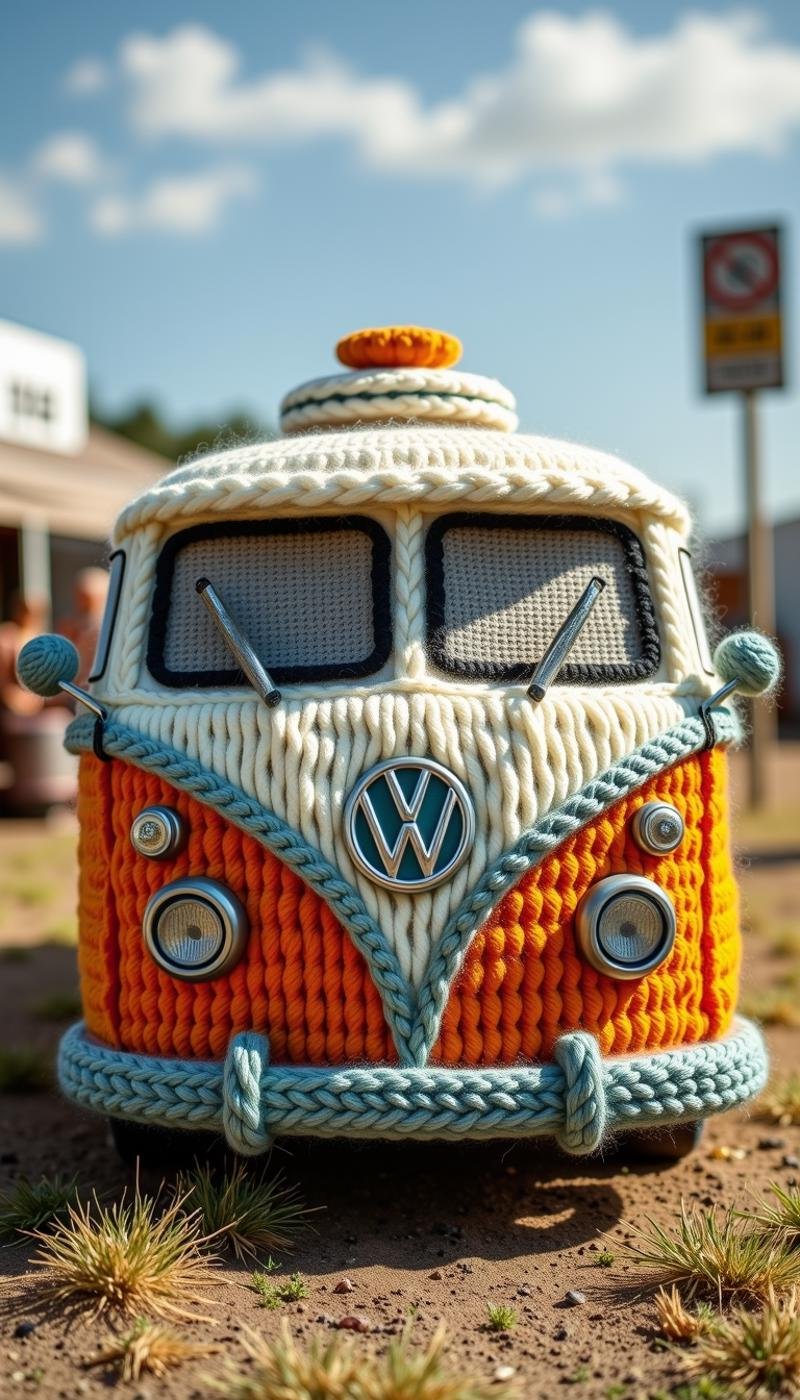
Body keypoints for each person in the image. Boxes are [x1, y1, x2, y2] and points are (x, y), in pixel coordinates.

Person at [58, 566, 108, 687]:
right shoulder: (69, 628)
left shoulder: (106, 634)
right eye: (79, 598)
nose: (81, 604)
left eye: (87, 600)